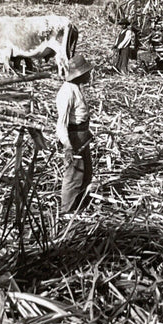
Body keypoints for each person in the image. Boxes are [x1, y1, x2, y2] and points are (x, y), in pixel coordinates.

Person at [56, 55, 94, 213]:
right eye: (86, 72)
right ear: (79, 74)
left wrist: (87, 131)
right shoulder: (67, 92)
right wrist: (68, 146)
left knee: (86, 172)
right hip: (74, 138)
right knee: (73, 175)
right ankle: (67, 210)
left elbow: (79, 116)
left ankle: (80, 205)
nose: (89, 75)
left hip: (82, 135)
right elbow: (61, 123)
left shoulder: (76, 88)